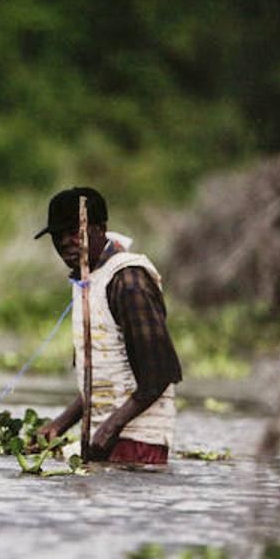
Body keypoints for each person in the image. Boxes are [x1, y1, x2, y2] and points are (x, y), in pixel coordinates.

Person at [35, 187, 181, 464]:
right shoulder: (88, 279)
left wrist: (110, 428)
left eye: (73, 232)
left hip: (137, 441)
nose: (65, 242)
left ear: (100, 229)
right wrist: (59, 425)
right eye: (57, 236)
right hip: (106, 439)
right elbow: (103, 377)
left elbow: (160, 374)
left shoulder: (128, 280)